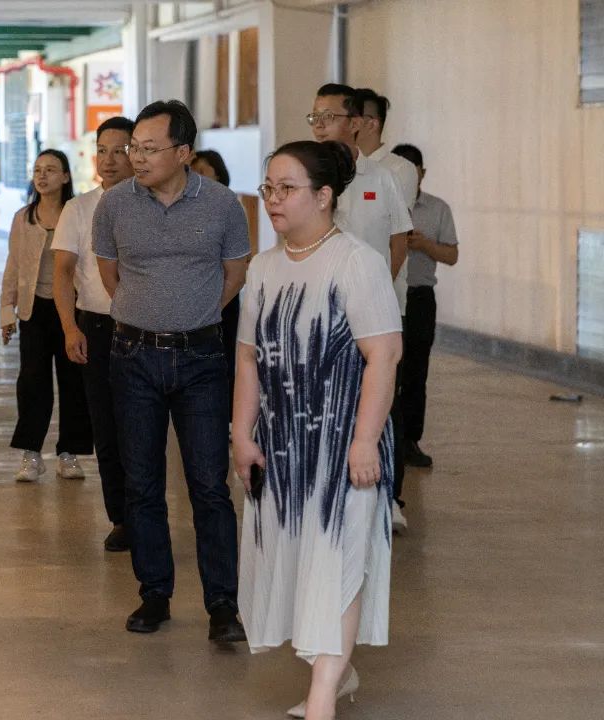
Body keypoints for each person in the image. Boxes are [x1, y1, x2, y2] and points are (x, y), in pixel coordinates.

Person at [233, 140, 401, 720]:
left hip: (343, 440)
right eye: (268, 188)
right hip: (282, 444)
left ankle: (323, 696)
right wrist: (241, 434)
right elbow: (248, 358)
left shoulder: (357, 262)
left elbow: (384, 356)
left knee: (338, 562)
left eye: (287, 189)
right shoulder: (263, 267)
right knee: (299, 563)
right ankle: (338, 670)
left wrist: (364, 441)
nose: (273, 200)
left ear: (325, 196)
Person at [93, 100, 250, 642]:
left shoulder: (224, 204)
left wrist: (192, 314)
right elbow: (110, 273)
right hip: (132, 357)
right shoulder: (114, 204)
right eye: (133, 147)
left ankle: (223, 605)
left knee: (209, 485)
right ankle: (154, 593)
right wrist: (150, 315)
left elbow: (234, 274)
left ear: (183, 152)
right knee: (142, 483)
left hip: (202, 360)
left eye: (149, 149)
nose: (136, 158)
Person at [309, 83, 413, 533]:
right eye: (314, 117)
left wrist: (376, 295)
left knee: (383, 403)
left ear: (355, 123)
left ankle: (389, 497)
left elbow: (398, 240)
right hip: (321, 311)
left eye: (329, 117)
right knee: (325, 401)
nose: (319, 126)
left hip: (376, 314)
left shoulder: (382, 178)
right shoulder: (307, 175)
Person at [52, 116, 134, 551]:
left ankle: (146, 512)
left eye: (120, 150)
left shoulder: (150, 205)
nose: (109, 160)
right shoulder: (79, 209)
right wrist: (70, 328)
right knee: (106, 425)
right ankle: (121, 517)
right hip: (97, 328)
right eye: (102, 150)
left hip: (143, 329)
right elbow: (63, 273)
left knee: (142, 427)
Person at [1, 149, 93, 482]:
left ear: (66, 176)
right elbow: (13, 265)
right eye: (38, 169)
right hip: (34, 309)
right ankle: (31, 453)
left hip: (71, 308)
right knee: (32, 381)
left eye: (51, 170)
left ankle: (69, 453)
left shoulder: (77, 213)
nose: (42, 175)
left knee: (73, 381)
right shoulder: (23, 218)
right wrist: (6, 311)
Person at [392, 143, 459, 468]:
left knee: (416, 372)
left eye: (412, 170)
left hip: (419, 298)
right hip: (389, 296)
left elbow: (452, 255)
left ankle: (410, 440)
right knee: (387, 370)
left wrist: (425, 245)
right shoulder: (381, 202)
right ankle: (384, 439)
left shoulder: (437, 208)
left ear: (422, 173)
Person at [190, 149, 246, 412]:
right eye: (193, 172)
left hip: (225, 295)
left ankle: (227, 414)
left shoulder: (230, 206)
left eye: (203, 171)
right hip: (195, 298)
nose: (196, 177)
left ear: (218, 175)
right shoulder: (188, 207)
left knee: (224, 355)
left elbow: (238, 264)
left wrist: (217, 304)